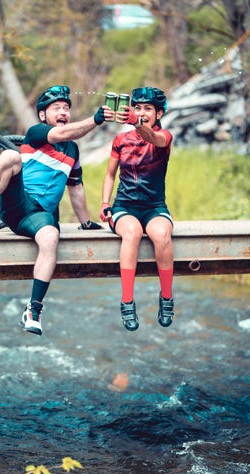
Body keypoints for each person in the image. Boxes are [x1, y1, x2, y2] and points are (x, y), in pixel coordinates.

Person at [0, 85, 111, 336]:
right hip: (16, 204)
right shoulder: (38, 132)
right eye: (56, 108)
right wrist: (95, 119)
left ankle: (33, 310)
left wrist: (85, 223)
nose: (63, 111)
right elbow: (61, 133)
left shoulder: (73, 150)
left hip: (39, 216)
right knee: (10, 156)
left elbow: (75, 189)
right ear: (43, 115)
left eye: (66, 108)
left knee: (51, 237)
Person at [99, 86, 174, 331]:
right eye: (138, 107)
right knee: (131, 233)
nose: (142, 112)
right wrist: (105, 203)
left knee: (162, 235)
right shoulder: (121, 139)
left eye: (148, 109)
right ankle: (127, 302)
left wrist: (136, 123)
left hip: (154, 206)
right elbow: (110, 175)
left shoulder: (164, 137)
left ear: (159, 114)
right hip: (124, 207)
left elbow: (153, 138)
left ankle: (166, 298)